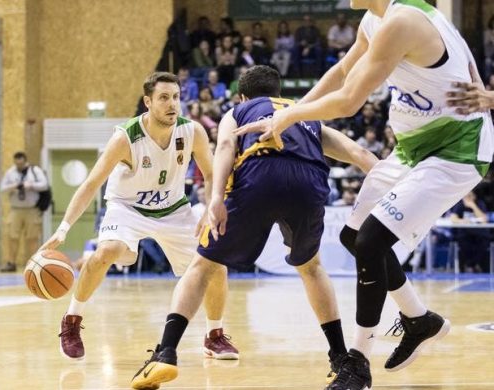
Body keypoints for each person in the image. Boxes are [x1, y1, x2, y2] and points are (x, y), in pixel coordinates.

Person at [235, 2, 494, 389]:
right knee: (353, 236)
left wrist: (289, 118)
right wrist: (290, 110)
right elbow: (342, 71)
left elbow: (350, 100)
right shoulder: (375, 19)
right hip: (414, 146)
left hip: (456, 148)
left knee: (372, 241)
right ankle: (419, 319)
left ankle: (358, 362)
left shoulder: (403, 21)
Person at [130, 65, 378, 390]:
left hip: (260, 175)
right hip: (310, 183)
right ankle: (339, 356)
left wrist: (215, 198)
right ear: (278, 92)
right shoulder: (302, 112)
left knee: (203, 266)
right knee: (312, 269)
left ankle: (166, 352)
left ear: (243, 96)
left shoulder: (239, 111)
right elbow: (358, 153)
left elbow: (225, 148)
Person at [39, 72, 238, 362]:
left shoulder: (192, 132)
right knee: (108, 251)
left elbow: (210, 174)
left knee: (215, 265)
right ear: (148, 102)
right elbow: (91, 184)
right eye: (163, 98)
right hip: (127, 207)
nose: (172, 104)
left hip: (173, 209)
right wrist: (64, 228)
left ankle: (214, 335)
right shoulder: (125, 137)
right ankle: (71, 321)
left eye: (176, 97)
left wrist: (210, 207)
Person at [0, 151, 48, 272]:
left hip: (32, 210)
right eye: (17, 164)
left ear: (25, 161)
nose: (19, 166)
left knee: (32, 238)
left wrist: (30, 185)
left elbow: (44, 185)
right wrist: (14, 186)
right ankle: (11, 263)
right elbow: (2, 188)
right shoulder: (11, 172)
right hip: (16, 210)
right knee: (12, 236)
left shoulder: (34, 170)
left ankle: (34, 263)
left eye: (21, 163)